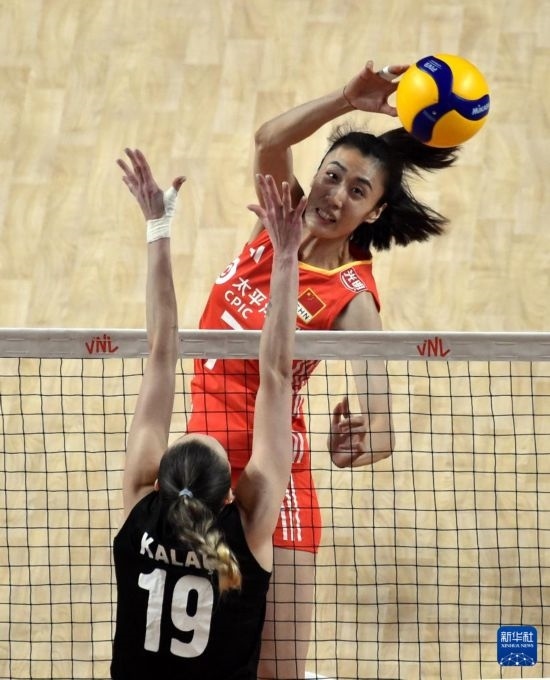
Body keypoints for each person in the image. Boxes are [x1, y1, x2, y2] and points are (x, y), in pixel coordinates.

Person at [186, 59, 461, 679]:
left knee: (277, 671)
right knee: (205, 659)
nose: (335, 195)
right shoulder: (275, 222)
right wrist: (346, 99)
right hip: (203, 471)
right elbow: (269, 139)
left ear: (374, 213)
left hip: (273, 482)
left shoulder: (352, 297)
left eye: (358, 191)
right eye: (331, 175)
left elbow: (383, 430)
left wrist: (356, 444)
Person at [111, 147, 307, 680]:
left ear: (161, 482)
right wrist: (286, 255)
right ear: (227, 497)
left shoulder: (143, 510)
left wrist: (158, 226)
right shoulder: (245, 528)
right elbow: (277, 374)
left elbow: (160, 350)